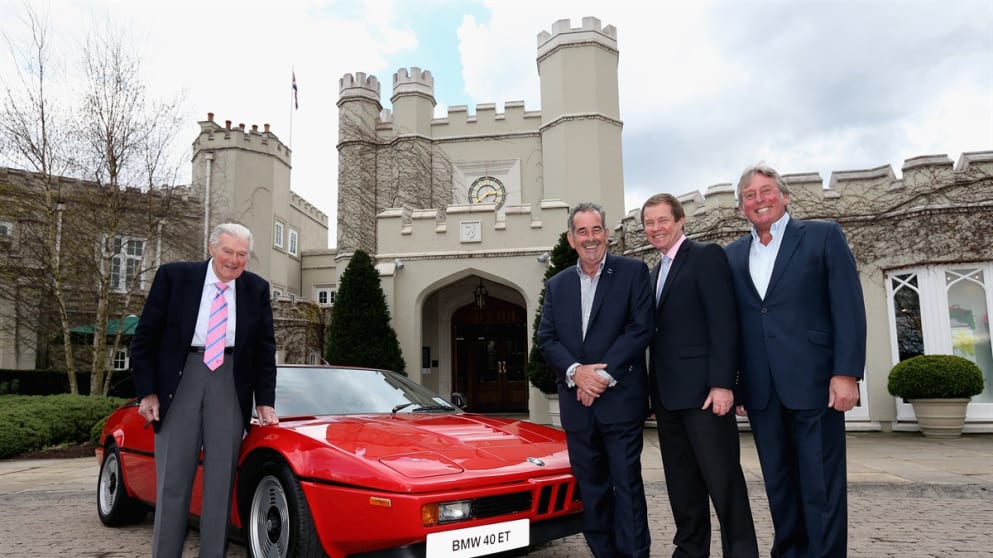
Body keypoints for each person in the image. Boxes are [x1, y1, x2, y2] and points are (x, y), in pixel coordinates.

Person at [725, 164, 867, 558]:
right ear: (741, 209)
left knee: (821, 485)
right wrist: (737, 383)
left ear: (785, 196)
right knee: (779, 484)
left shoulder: (822, 236)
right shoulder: (733, 255)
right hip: (762, 390)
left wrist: (846, 373)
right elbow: (733, 324)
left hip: (816, 384)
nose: (759, 200)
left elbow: (848, 307)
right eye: (749, 196)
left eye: (766, 191)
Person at [131, 223, 278, 558]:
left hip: (229, 383)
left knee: (220, 484)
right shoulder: (174, 277)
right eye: (228, 251)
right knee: (173, 483)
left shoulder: (256, 289)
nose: (234, 260)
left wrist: (265, 401)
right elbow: (144, 340)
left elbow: (264, 349)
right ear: (212, 248)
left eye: (242, 254)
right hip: (181, 380)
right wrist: (148, 393)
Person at [642, 193, 759, 558]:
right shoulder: (652, 272)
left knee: (723, 482)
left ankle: (741, 552)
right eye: (649, 222)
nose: (656, 228)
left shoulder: (706, 256)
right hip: (667, 398)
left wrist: (725, 384)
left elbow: (724, 322)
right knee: (682, 484)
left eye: (663, 220)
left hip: (707, 395)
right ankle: (690, 550)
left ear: (680, 222)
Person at [537, 202, 653, 558]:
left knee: (627, 487)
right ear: (571, 239)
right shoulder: (557, 285)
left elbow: (640, 329)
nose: (591, 239)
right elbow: (547, 338)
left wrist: (599, 376)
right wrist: (577, 373)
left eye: (597, 230)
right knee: (592, 491)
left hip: (619, 404)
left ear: (607, 234)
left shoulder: (633, 272)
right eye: (582, 232)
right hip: (577, 407)